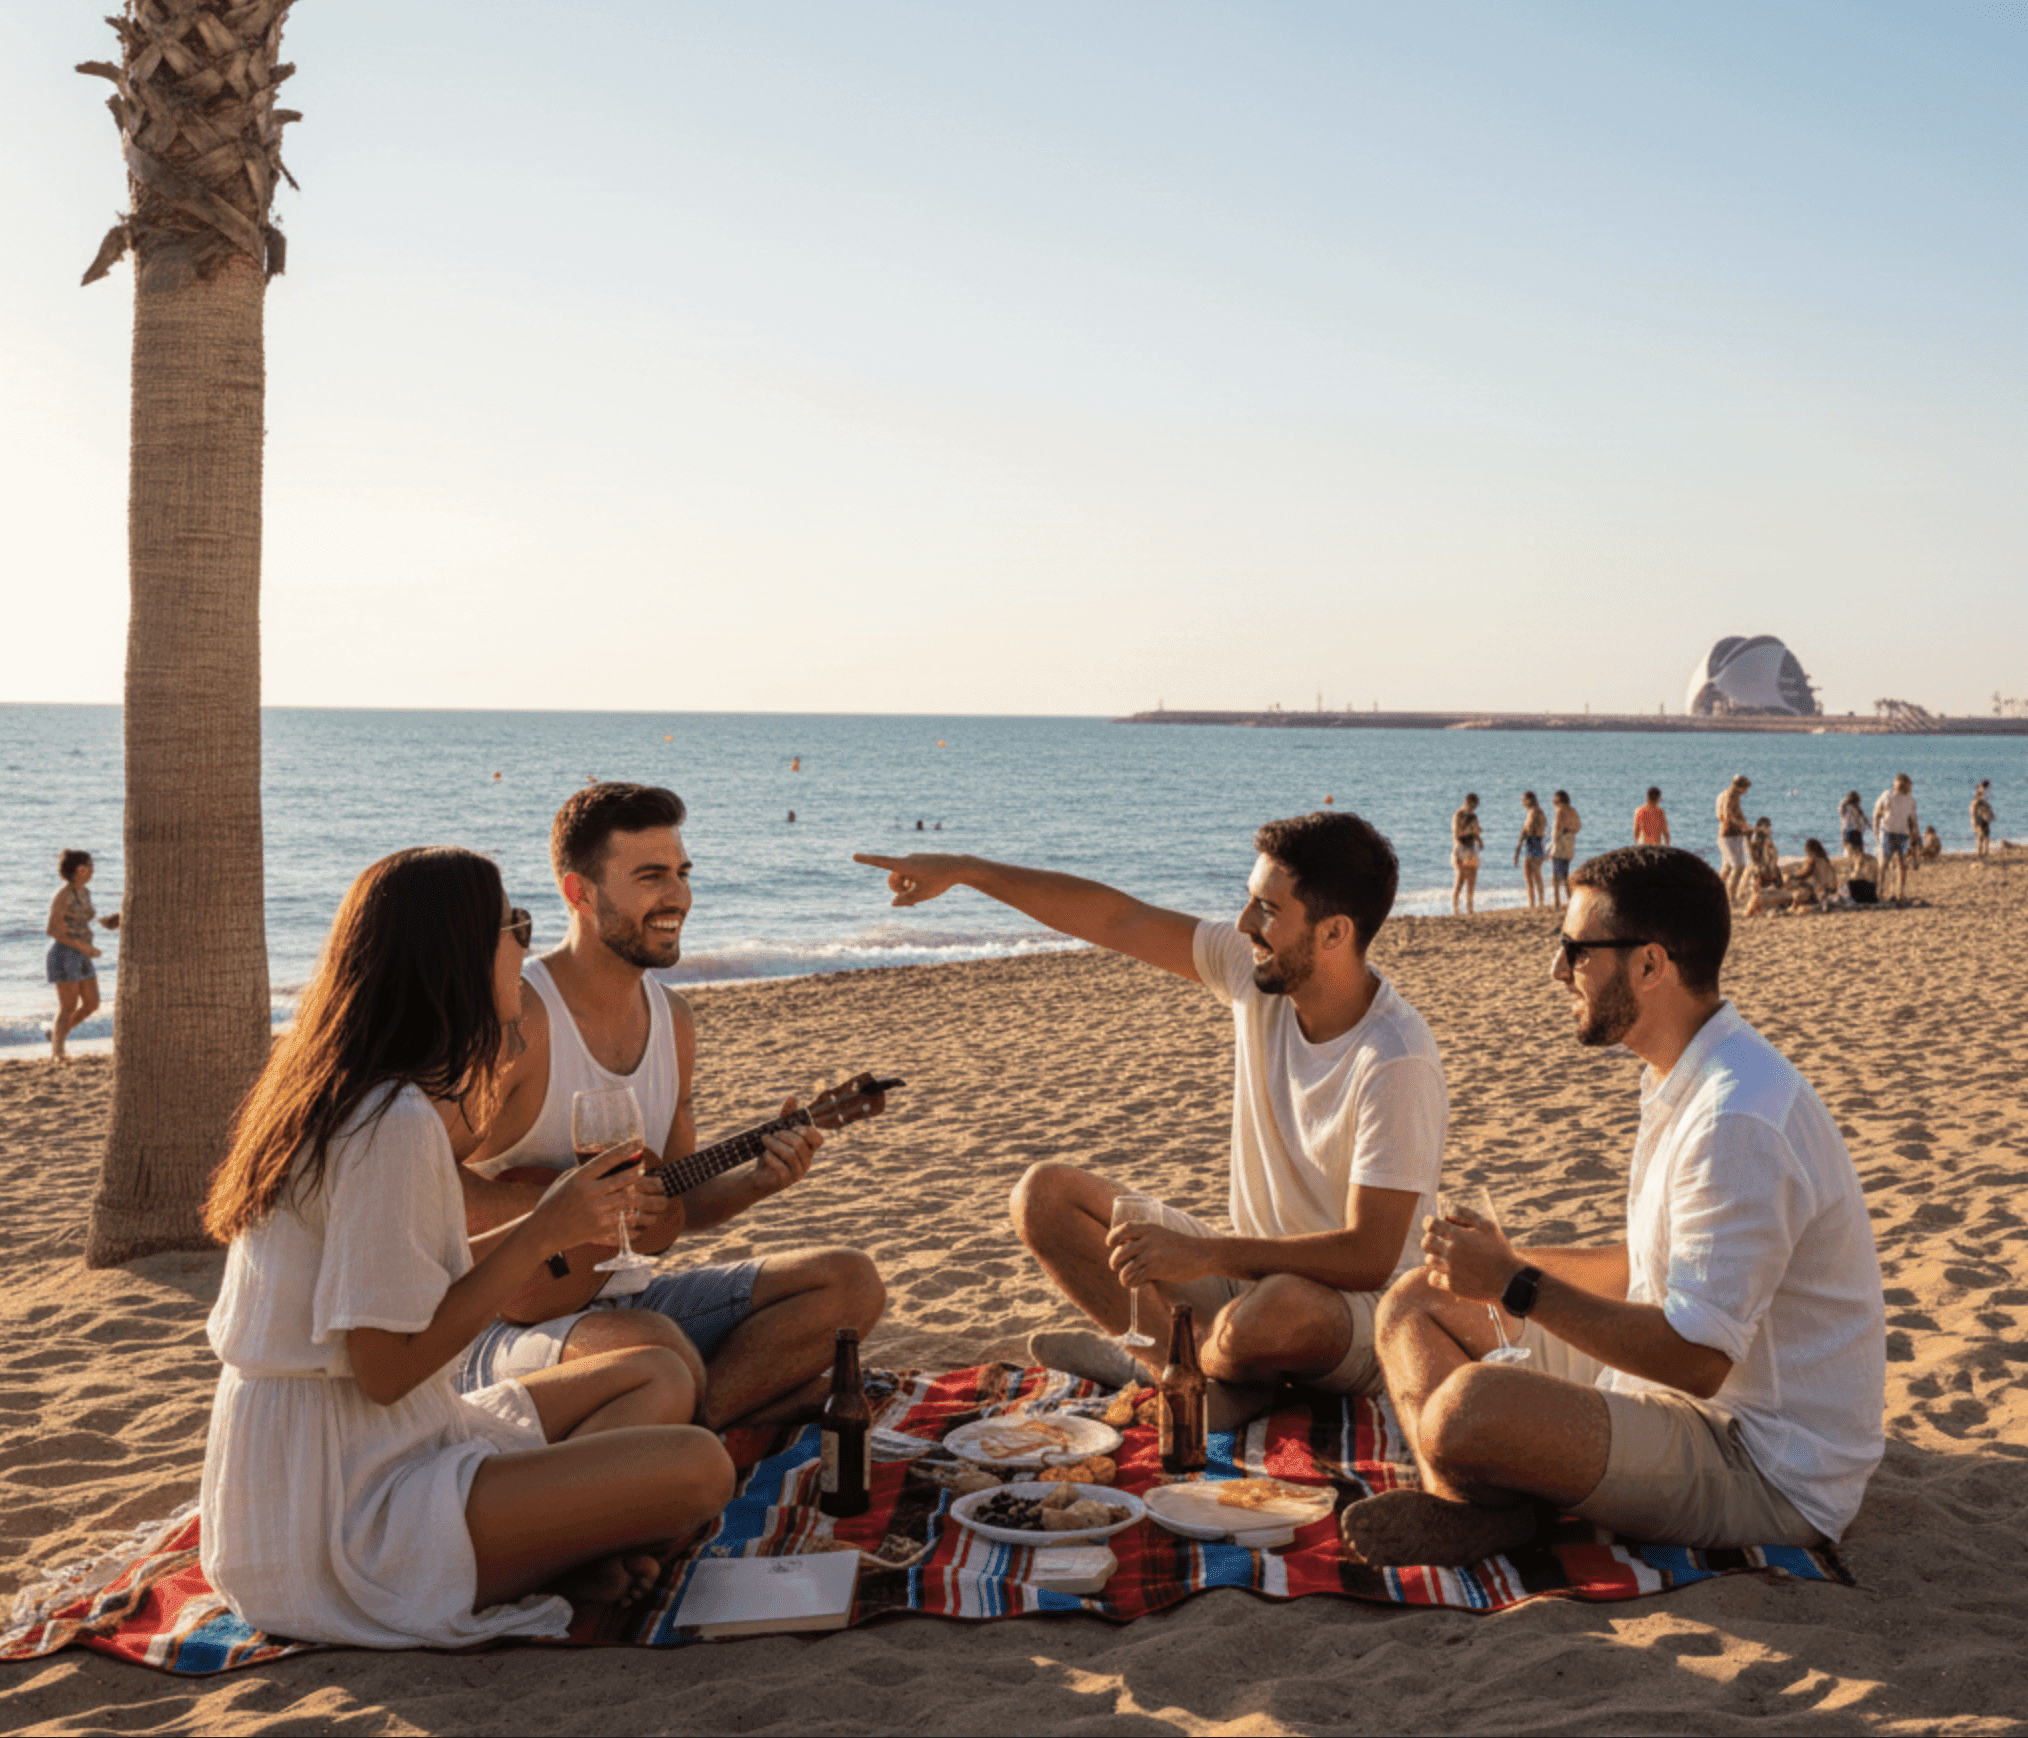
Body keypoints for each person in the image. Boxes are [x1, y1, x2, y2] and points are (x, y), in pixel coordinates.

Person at [199, 846, 734, 1648]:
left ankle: (543, 1545)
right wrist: (542, 1236)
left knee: (653, 1371)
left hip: (345, 1449)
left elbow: (397, 1277)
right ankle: (542, 1554)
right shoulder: (394, 1122)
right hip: (341, 1508)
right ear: (456, 954)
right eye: (512, 927)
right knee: (699, 1468)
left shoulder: (350, 1089)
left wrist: (550, 1224)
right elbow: (384, 1370)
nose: (526, 946)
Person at [1340, 846, 1884, 1568]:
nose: (1557, 970)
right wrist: (1503, 1262)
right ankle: (1476, 1508)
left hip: (1761, 1459)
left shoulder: (1736, 1118)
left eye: (1575, 950)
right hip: (1682, 1400)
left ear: (1650, 965)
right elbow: (1649, 1271)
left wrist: (1513, 1284)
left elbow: (1697, 1362)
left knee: (1467, 1407)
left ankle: (1491, 1498)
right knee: (1413, 1301)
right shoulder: (1686, 1073)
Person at [854, 812, 1446, 1431]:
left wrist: (1203, 1252)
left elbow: (1371, 1257)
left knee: (1276, 1310)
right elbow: (1117, 918)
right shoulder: (1254, 976)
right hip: (1247, 1283)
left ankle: (1165, 1364)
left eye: (1266, 910)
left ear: (1333, 934)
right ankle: (1192, 1376)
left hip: (1357, 1317)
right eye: (1248, 901)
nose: (1244, 924)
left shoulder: (1395, 1058)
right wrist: (965, 871)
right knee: (1043, 1196)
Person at [454, 783, 884, 1431]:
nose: (678, 896)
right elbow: (421, 1182)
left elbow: (675, 1205)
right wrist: (562, 1212)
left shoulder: (673, 1021)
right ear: (579, 892)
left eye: (682, 873)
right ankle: (699, 1416)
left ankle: (697, 1421)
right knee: (657, 1348)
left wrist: (757, 1182)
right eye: (651, 876)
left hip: (625, 1307)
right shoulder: (523, 1017)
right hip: (495, 1323)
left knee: (849, 1283)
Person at [44, 850, 118, 1064]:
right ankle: (58, 1052)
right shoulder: (63, 895)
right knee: (68, 1006)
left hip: (82, 953)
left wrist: (106, 922)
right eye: (90, 866)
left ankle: (57, 1035)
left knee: (92, 1004)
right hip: (65, 953)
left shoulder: (85, 892)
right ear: (79, 870)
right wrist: (82, 947)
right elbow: (53, 930)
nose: (93, 870)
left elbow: (79, 920)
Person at [1744, 837, 1838, 916]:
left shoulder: (1813, 861)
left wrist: (1789, 877)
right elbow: (1832, 887)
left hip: (1814, 897)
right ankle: (1752, 912)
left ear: (1809, 852)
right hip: (1824, 896)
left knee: (1762, 897)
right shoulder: (1827, 863)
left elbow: (1801, 876)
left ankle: (1748, 913)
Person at [1874, 775, 1918, 905]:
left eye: (1907, 786)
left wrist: (1915, 835)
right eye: (1904, 786)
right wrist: (1876, 832)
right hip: (1888, 832)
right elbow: (1877, 813)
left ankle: (1900, 893)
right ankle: (1879, 892)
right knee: (1884, 864)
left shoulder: (1910, 800)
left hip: (1903, 834)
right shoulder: (1887, 795)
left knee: (1902, 865)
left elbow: (1914, 820)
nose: (1906, 788)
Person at [1715, 775, 1753, 906]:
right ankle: (1730, 898)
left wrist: (1746, 826)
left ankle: (1715, 892)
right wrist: (1744, 826)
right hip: (1728, 835)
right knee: (1738, 866)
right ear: (1739, 786)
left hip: (1733, 835)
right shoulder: (1730, 796)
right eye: (1745, 788)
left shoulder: (1731, 795)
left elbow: (1736, 814)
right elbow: (1728, 816)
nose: (1746, 792)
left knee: (1727, 868)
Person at [1450, 795, 1483, 916]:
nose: (1474, 808)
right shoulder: (1459, 815)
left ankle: (1470, 908)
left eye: (1475, 806)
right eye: (1473, 805)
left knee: (1472, 879)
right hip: (1461, 848)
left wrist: (1479, 839)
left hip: (1471, 847)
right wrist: (1471, 830)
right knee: (1460, 879)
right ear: (1467, 802)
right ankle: (1456, 909)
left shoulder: (1474, 816)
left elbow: (1475, 831)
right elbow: (1456, 835)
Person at [1514, 793, 1548, 909]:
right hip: (1540, 843)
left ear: (1528, 801)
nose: (1522, 803)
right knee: (1537, 875)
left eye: (1523, 800)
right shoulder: (1541, 812)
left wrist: (1518, 849)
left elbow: (1528, 830)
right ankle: (1541, 901)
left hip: (1532, 844)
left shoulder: (1532, 812)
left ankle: (1532, 904)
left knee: (1529, 876)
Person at [1548, 792, 1581, 910]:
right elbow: (1578, 827)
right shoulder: (1573, 811)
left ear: (1557, 801)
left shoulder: (1560, 811)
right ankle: (1571, 900)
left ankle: (1558, 903)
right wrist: (1568, 831)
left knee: (1556, 877)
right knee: (1565, 875)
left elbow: (1556, 829)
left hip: (1559, 847)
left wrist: (1552, 846)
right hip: (1569, 846)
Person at [1838, 791, 1869, 873]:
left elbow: (1841, 807)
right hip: (1855, 833)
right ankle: (1857, 871)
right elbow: (1863, 824)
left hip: (1846, 833)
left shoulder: (1844, 808)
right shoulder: (1857, 810)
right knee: (1859, 855)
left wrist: (1846, 799)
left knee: (1849, 854)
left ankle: (1850, 870)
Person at [1970, 782, 1994, 861]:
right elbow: (1973, 811)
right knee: (1980, 835)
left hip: (1983, 818)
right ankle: (1980, 852)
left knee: (1985, 835)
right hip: (1979, 819)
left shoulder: (1982, 801)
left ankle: (1984, 852)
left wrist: (1990, 815)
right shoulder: (1977, 801)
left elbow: (1987, 808)